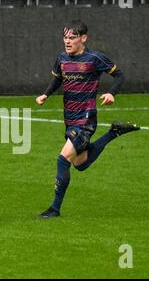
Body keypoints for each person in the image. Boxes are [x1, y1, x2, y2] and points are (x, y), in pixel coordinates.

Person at [36, 20, 140, 218]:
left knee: (63, 159)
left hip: (86, 119)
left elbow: (119, 75)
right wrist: (45, 95)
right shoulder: (61, 58)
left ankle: (54, 209)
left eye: (72, 37)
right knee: (80, 164)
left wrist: (112, 94)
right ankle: (113, 132)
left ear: (83, 38)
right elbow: (58, 78)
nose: (67, 41)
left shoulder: (95, 58)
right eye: (65, 37)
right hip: (69, 117)